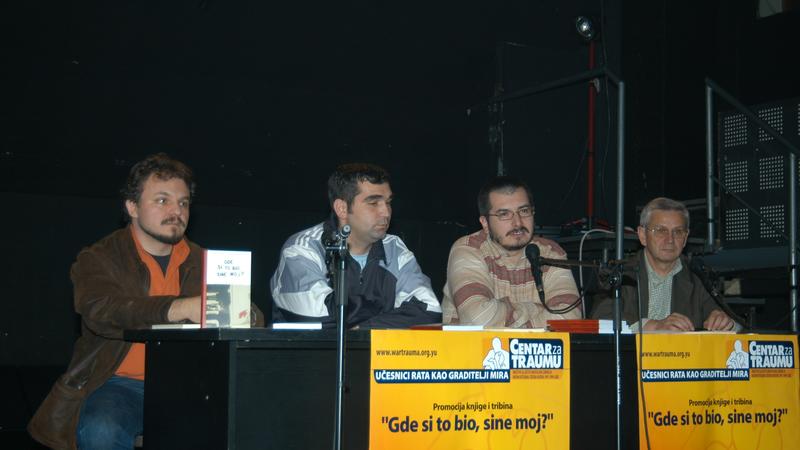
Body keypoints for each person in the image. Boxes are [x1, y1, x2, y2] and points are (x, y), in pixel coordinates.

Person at [28, 153, 264, 450]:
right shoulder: (99, 257)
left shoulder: (204, 260)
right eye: (162, 200)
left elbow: (254, 318)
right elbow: (101, 311)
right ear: (132, 207)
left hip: (192, 384)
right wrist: (179, 308)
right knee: (101, 428)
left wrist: (245, 314)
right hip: (119, 384)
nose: (176, 211)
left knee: (259, 415)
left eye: (183, 203)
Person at [271, 163, 441, 328]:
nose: (386, 212)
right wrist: (388, 312)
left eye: (388, 202)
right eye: (373, 203)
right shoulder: (302, 248)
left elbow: (429, 309)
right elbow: (319, 312)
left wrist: (365, 328)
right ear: (342, 208)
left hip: (372, 349)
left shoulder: (394, 248)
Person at [441, 176, 581, 328]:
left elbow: (570, 317)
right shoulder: (468, 249)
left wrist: (508, 319)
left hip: (536, 345)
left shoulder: (550, 253)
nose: (518, 223)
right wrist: (538, 310)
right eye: (504, 214)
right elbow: (478, 319)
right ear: (485, 223)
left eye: (524, 211)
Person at [591, 197, 738, 332]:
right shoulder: (620, 273)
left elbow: (732, 321)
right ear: (642, 235)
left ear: (685, 238)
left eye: (678, 232)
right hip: (632, 352)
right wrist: (653, 326)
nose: (670, 240)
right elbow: (600, 316)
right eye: (661, 231)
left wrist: (724, 321)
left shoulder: (698, 276)